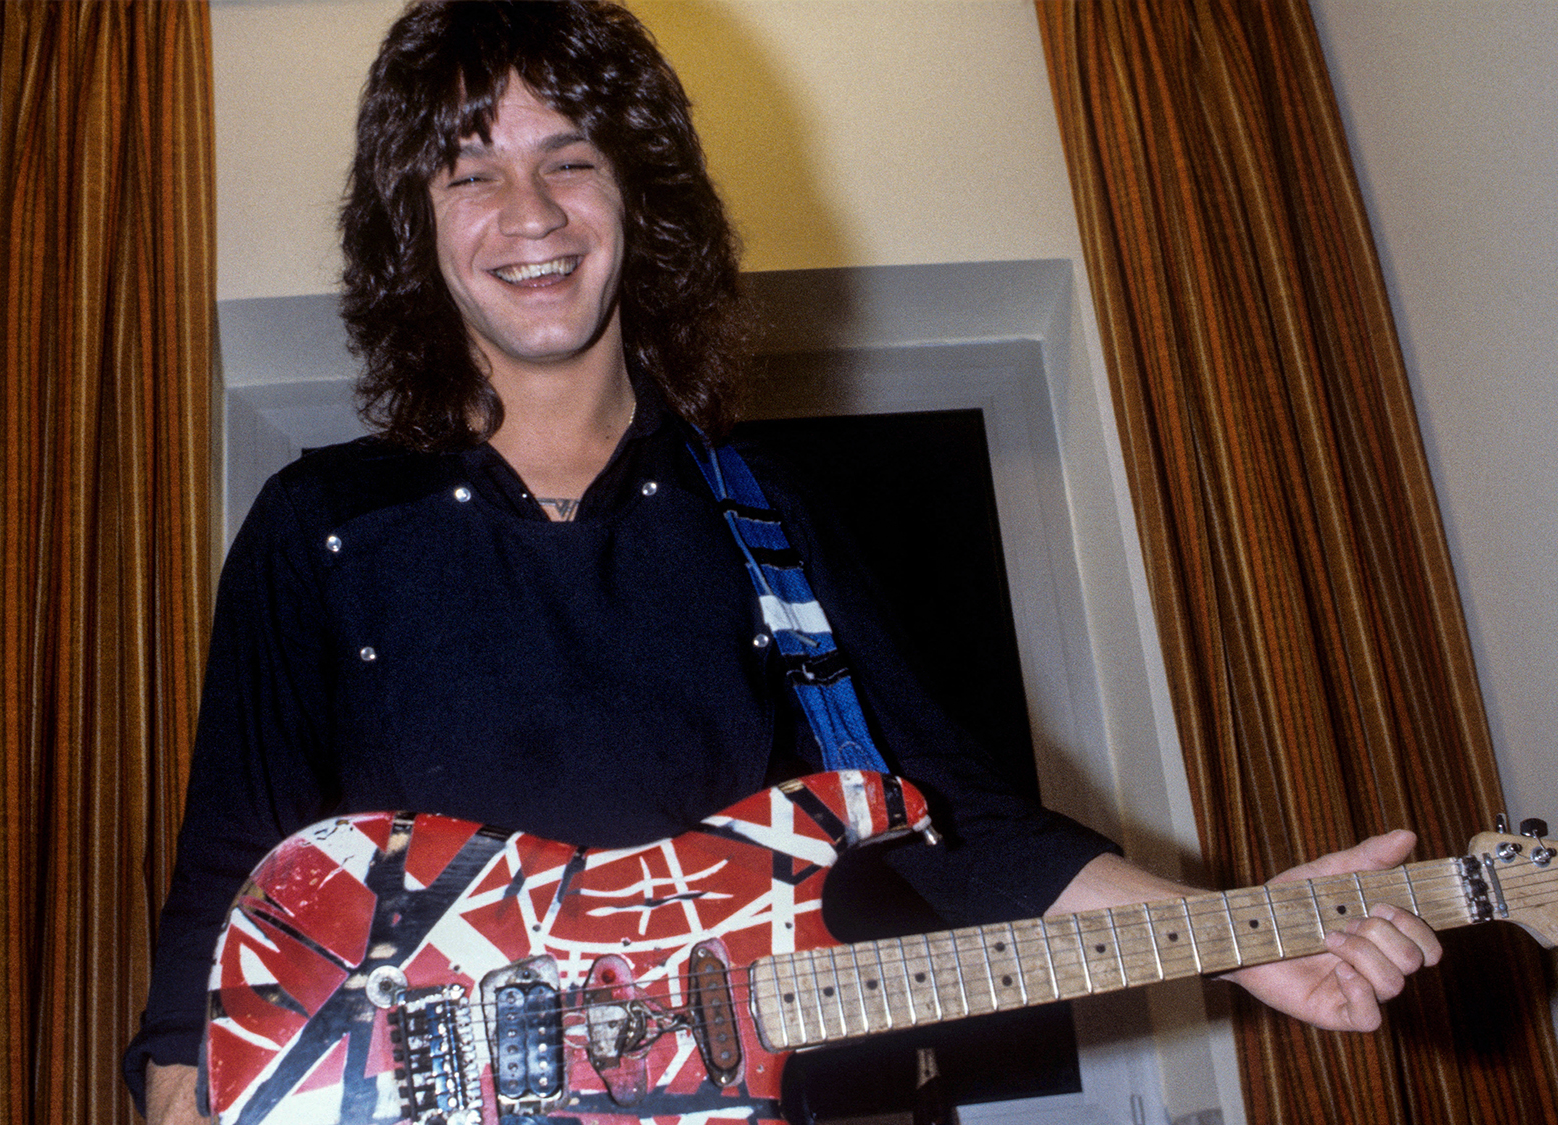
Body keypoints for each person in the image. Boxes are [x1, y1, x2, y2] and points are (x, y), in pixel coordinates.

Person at [127, 2, 1442, 1120]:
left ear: (636, 196)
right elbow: (225, 881)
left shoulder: (764, 521)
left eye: (570, 156)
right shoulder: (324, 526)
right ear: (419, 226)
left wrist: (1247, 938)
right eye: (469, 170)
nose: (529, 211)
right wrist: (182, 1087)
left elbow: (961, 823)